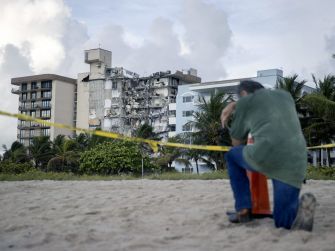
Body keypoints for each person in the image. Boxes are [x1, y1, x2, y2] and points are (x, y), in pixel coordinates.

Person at [221, 80, 316, 231]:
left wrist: (233, 111)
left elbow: (237, 143)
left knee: (233, 155)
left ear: (244, 94)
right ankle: (297, 213)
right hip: (297, 160)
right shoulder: (285, 96)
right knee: (282, 221)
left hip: (267, 156)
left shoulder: (246, 103)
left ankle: (243, 209)